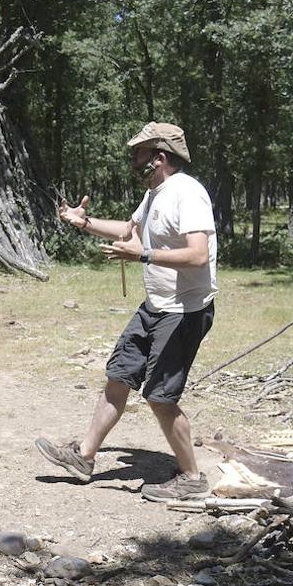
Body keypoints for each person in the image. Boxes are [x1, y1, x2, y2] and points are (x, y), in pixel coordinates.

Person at [35, 122, 217, 502]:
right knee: (119, 377)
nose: (133, 161)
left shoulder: (188, 193)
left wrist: (144, 255)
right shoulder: (154, 194)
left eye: (139, 154)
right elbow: (130, 231)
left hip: (184, 312)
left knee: (160, 397)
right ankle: (84, 457)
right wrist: (84, 223)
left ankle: (192, 478)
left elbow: (198, 254)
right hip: (154, 307)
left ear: (160, 157)